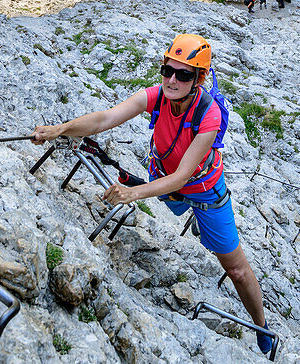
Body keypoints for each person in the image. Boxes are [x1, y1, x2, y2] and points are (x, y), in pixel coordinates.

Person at [32, 34, 274, 356]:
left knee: (237, 269)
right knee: (171, 200)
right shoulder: (155, 97)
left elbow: (181, 177)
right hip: (165, 184)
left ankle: (262, 326)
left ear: (199, 79)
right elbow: (105, 119)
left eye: (184, 74)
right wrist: (60, 129)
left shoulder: (209, 115)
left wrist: (132, 193)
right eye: (167, 70)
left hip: (203, 190)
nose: (172, 79)